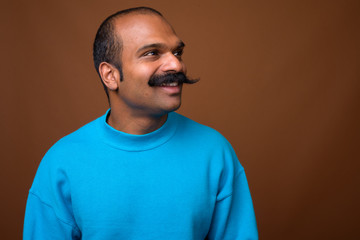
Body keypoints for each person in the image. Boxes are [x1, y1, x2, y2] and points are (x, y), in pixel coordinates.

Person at [23, 7, 258, 240]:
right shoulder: (62, 161)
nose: (176, 65)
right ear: (110, 75)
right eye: (152, 53)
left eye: (177, 52)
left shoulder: (215, 152)